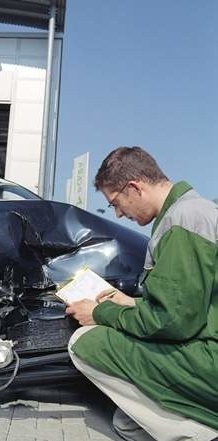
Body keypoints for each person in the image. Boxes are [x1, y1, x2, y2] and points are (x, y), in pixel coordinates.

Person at [65, 146, 218, 441]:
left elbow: (172, 322)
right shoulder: (196, 212)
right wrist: (131, 303)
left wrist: (99, 313)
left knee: (84, 342)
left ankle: (201, 432)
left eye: (116, 203)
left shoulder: (182, 222)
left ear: (134, 187)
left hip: (211, 362)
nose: (119, 213)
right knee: (127, 424)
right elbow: (197, 304)